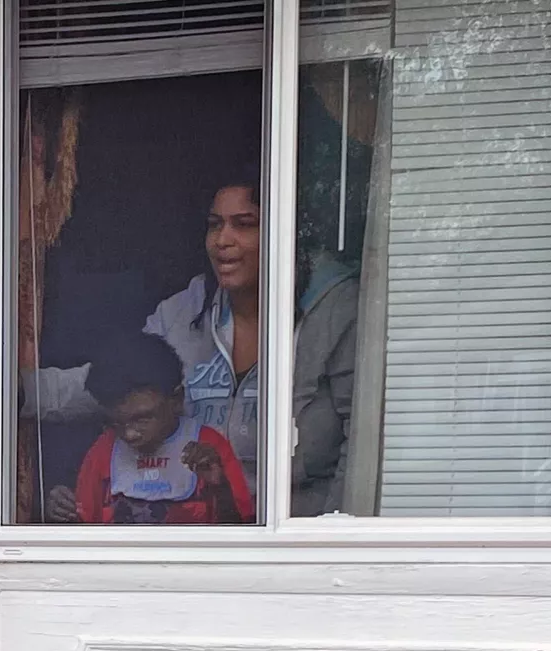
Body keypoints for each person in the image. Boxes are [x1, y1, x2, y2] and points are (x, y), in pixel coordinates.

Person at [21, 171, 360, 519]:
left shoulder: (334, 309)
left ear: (287, 232)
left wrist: (333, 530)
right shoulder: (183, 312)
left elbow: (362, 435)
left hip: (294, 528)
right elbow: (115, 383)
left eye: (244, 224)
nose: (222, 240)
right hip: (196, 528)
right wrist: (15, 393)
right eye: (215, 225)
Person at [63, 332, 253, 524]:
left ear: (177, 399)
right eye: (117, 423)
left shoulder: (209, 447)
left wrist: (221, 489)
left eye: (142, 419)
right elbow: (84, 523)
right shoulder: (104, 451)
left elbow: (240, 528)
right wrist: (64, 510)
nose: (129, 434)